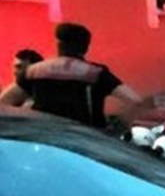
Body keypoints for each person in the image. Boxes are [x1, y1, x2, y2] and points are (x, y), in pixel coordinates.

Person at [0, 23, 144, 128]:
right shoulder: (95, 73)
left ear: (58, 45)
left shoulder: (34, 71)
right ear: (85, 47)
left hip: (46, 136)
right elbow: (135, 100)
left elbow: (5, 101)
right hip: (86, 139)